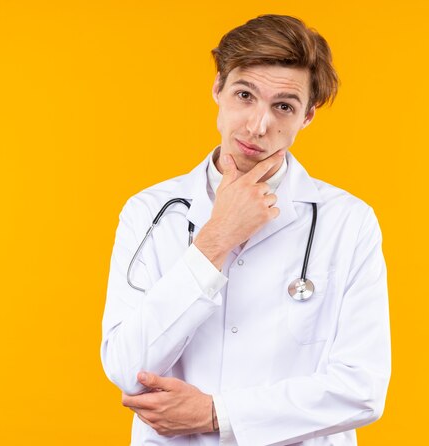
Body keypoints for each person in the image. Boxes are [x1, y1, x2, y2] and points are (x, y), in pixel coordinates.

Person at [101, 14, 391, 446]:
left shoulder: (348, 222)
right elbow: (127, 367)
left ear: (308, 116)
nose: (258, 126)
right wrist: (216, 238)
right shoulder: (149, 212)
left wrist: (218, 414)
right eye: (244, 95)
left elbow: (362, 390)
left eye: (284, 106)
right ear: (217, 88)